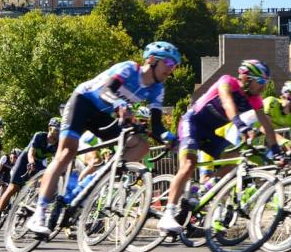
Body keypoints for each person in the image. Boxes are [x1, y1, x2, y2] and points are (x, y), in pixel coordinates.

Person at [26, 42, 181, 235]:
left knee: (141, 147)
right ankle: (38, 213)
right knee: (66, 152)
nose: (171, 68)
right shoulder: (130, 69)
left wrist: (172, 139)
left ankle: (92, 181)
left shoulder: (158, 89)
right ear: (151, 60)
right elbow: (105, 91)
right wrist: (119, 104)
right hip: (83, 102)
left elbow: (157, 126)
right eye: (168, 62)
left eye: (174, 65)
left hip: (104, 115)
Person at [157, 60, 282, 233]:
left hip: (212, 133)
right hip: (194, 123)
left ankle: (200, 191)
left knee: (234, 160)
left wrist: (276, 151)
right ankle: (168, 214)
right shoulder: (227, 81)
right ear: (246, 78)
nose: (262, 87)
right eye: (260, 82)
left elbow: (266, 125)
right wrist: (240, 124)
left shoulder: (254, 99)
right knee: (189, 163)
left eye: (265, 83)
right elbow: (227, 103)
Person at [0, 118, 60, 230]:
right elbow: (31, 152)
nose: (58, 133)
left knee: (46, 180)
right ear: (49, 128)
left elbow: (56, 159)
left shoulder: (58, 144)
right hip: (25, 160)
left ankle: (31, 201)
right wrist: (31, 162)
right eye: (56, 130)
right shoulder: (40, 136)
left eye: (61, 131)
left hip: (39, 163)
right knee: (13, 187)